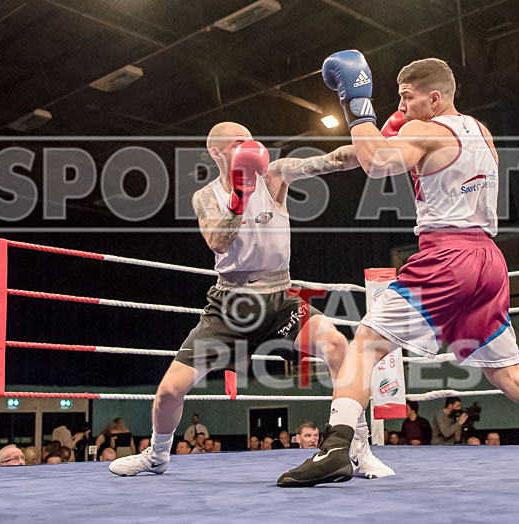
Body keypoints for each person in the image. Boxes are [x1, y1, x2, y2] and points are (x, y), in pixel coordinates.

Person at [278, 51, 519, 487]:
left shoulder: (425, 129)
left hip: (447, 255)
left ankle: (335, 450)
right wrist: (379, 136)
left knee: (363, 345)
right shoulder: (481, 130)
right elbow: (384, 154)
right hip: (489, 263)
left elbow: (376, 163)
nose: (402, 107)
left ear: (435, 98)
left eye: (407, 98)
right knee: (510, 376)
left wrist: (358, 107)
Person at [109, 122, 392, 480]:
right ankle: (157, 455)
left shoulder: (275, 175)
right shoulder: (206, 196)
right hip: (230, 307)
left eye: (251, 139)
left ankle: (357, 449)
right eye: (239, 142)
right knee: (169, 390)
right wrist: (239, 197)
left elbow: (331, 161)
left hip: (279, 299)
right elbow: (217, 241)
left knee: (338, 345)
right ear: (217, 152)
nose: (250, 145)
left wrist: (380, 144)